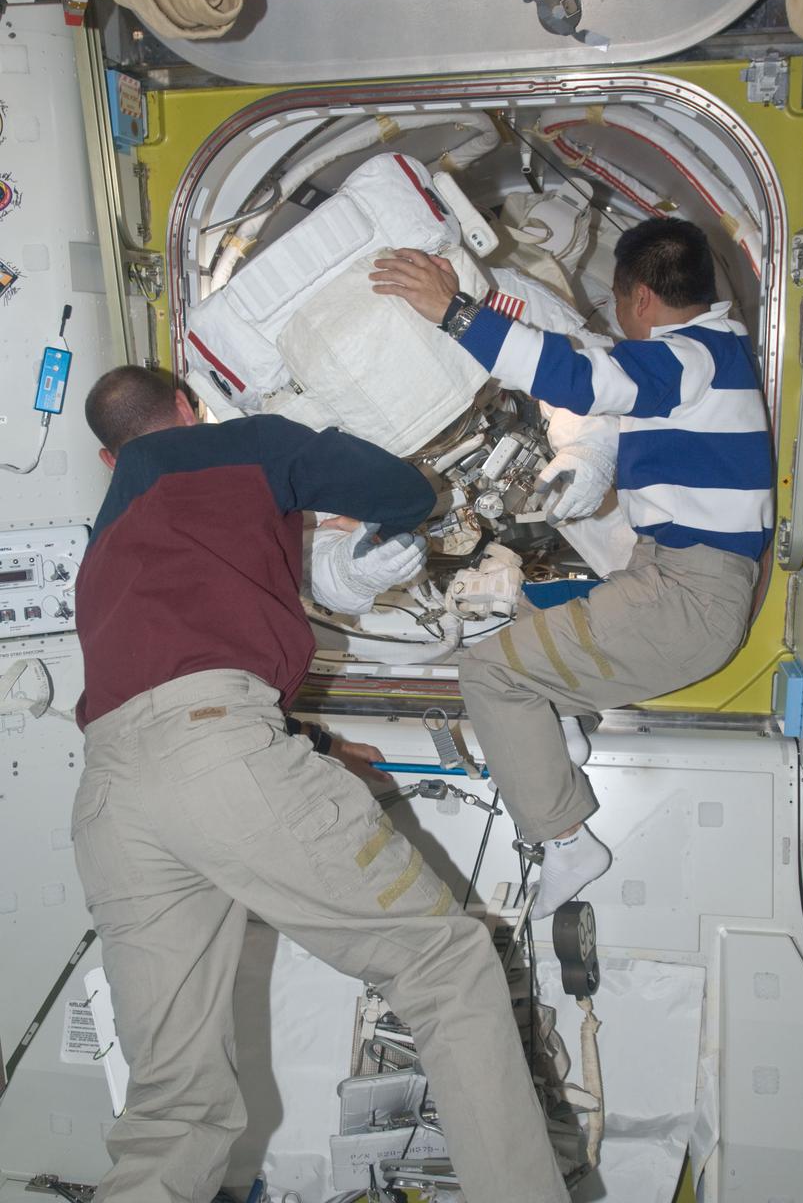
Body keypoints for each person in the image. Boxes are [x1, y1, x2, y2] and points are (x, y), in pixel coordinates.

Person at [72, 365, 572, 1203]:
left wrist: (306, 743)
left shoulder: (103, 541)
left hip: (111, 798)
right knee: (446, 968)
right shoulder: (246, 443)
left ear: (104, 457)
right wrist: (429, 509)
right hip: (217, 755)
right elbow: (394, 486)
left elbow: (163, 681)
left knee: (172, 1106)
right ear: (190, 408)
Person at [371, 217, 774, 918]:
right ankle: (555, 727)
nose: (618, 317)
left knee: (488, 672)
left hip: (686, 599)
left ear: (641, 298)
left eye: (619, 303)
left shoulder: (687, 360)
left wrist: (453, 314)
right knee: (522, 609)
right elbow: (586, 364)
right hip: (669, 579)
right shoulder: (717, 352)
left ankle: (566, 840)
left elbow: (581, 376)